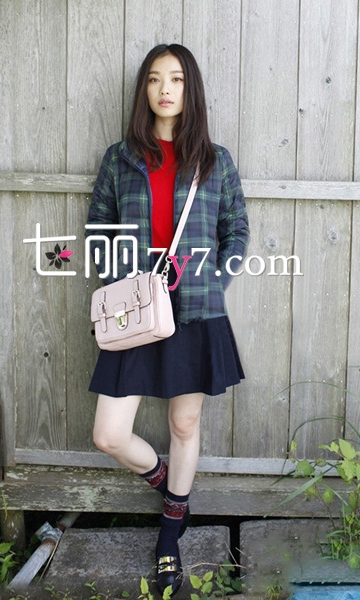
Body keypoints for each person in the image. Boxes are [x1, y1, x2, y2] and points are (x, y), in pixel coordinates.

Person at [86, 43, 249, 597]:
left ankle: (169, 536)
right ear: (144, 90)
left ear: (189, 88)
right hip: (135, 307)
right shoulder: (120, 158)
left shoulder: (214, 160)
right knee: (109, 434)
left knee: (184, 424)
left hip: (195, 308)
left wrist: (213, 277)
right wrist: (121, 275)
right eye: (155, 79)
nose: (165, 89)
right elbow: (98, 225)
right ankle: (167, 485)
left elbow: (237, 229)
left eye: (176, 79)